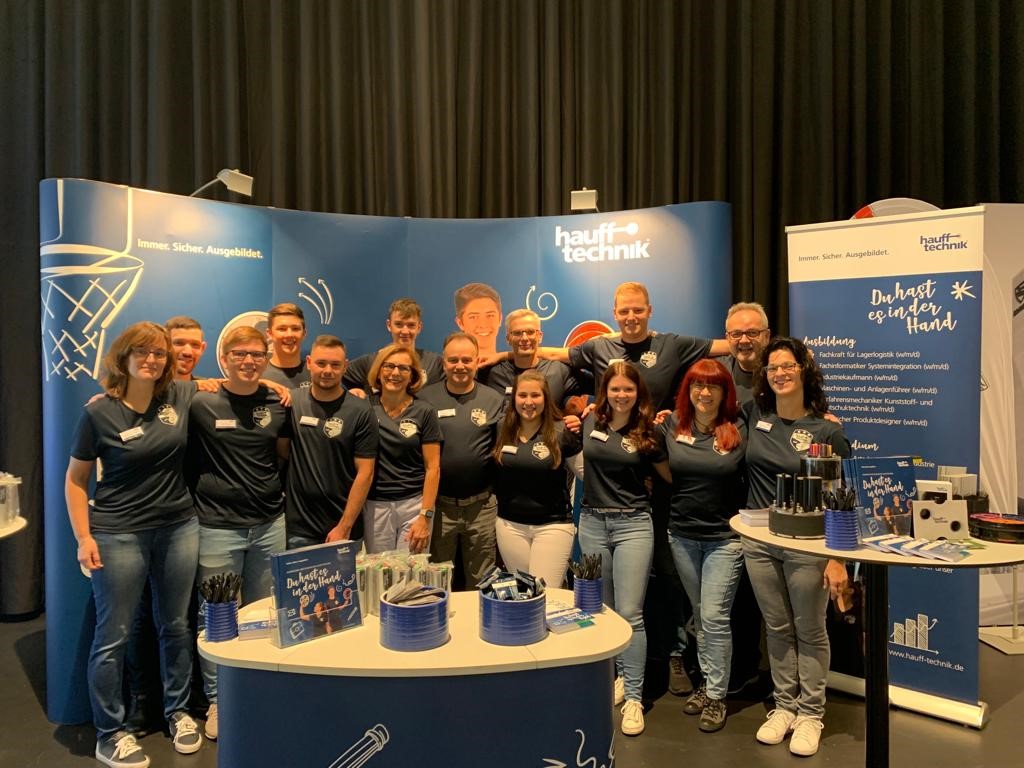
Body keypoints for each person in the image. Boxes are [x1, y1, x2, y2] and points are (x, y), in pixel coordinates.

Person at [65, 321, 203, 767]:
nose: (152, 359)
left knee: (176, 625)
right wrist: (83, 537)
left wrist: (278, 388)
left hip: (179, 527)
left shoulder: (179, 396)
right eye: (142, 351)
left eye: (159, 353)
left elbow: (225, 382)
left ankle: (178, 711)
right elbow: (76, 480)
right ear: (122, 357)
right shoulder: (98, 413)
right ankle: (110, 733)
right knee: (113, 637)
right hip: (118, 533)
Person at [740, 337, 851, 757]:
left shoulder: (828, 430)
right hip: (758, 542)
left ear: (805, 370)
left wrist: (837, 556)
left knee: (810, 628)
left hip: (808, 545)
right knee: (777, 627)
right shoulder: (755, 415)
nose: (780, 373)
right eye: (773, 368)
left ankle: (810, 714)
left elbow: (843, 496)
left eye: (788, 365)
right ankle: (785, 706)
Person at [189, 326, 290, 741]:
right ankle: (218, 700)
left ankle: (257, 690)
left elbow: (282, 454)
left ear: (266, 358)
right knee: (216, 615)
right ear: (224, 357)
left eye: (256, 354)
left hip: (269, 524)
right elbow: (157, 395)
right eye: (240, 354)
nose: (249, 361)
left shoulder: (279, 402)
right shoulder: (201, 401)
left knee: (264, 613)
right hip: (217, 526)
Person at [577, 361, 669, 737]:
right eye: (614, 388)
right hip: (592, 522)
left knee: (631, 613)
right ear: (605, 392)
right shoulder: (589, 420)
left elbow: (668, 475)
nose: (621, 395)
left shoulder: (649, 430)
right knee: (604, 610)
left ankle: (634, 697)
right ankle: (615, 678)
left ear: (638, 393)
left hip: (633, 524)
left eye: (628, 389)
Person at [661, 359, 746, 733]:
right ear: (688, 390)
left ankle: (716, 696)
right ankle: (709, 682)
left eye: (713, 386)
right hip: (681, 534)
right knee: (699, 614)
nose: (705, 393)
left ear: (725, 392)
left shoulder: (739, 426)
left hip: (725, 540)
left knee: (713, 617)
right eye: (698, 385)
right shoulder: (672, 424)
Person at [419, 332, 505, 586]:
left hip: (482, 507)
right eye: (453, 360)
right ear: (443, 362)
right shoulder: (425, 398)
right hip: (440, 507)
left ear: (477, 362)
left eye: (466, 360)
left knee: (482, 580)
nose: (460, 366)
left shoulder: (493, 399)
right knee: (436, 579)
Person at [281, 335, 378, 550]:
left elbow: (365, 473)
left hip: (343, 528)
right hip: (299, 528)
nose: (327, 370)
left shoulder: (361, 410)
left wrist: (344, 526)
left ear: (345, 366)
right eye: (321, 363)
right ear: (309, 363)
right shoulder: (293, 402)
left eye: (335, 365)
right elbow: (283, 451)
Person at [492, 370, 582, 587]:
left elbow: (586, 473)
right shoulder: (502, 428)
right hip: (510, 526)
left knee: (545, 593)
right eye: (523, 395)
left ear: (546, 398)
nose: (528, 402)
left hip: (552, 526)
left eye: (535, 395)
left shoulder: (562, 431)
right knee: (523, 593)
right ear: (514, 398)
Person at [362, 344, 441, 554]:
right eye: (389, 366)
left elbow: (433, 467)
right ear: (378, 371)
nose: (395, 373)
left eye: (403, 368)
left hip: (414, 506)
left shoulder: (424, 411)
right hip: (376, 506)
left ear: (412, 375)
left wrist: (425, 516)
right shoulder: (364, 408)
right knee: (380, 571)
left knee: (413, 571)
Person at [478, 308, 586, 408]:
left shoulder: (559, 371)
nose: (524, 338)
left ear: (540, 336)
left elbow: (595, 386)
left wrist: (592, 407)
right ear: (508, 339)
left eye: (530, 332)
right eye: (517, 333)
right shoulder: (493, 374)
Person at [343, 298, 445, 391]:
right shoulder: (370, 362)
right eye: (399, 324)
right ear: (389, 325)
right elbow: (336, 376)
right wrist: (354, 393)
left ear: (419, 327)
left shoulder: (435, 363)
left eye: (411, 325)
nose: (405, 331)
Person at [719, 302, 771, 405]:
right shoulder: (718, 372)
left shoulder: (782, 373)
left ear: (766, 336)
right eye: (736, 334)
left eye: (752, 333)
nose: (744, 340)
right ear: (728, 338)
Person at [262, 303, 310, 387]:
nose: (289, 334)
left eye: (295, 329)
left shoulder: (316, 373)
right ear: (269, 334)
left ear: (304, 333)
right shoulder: (258, 375)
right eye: (282, 329)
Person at [454, 282, 503, 358]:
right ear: (460, 323)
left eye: (490, 315)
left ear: (500, 319)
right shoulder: (442, 364)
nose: (483, 324)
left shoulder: (514, 364)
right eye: (473, 317)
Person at [166, 316, 208, 380]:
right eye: (179, 343)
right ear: (164, 345)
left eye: (195, 345)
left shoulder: (209, 386)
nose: (188, 353)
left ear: (202, 349)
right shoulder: (150, 385)